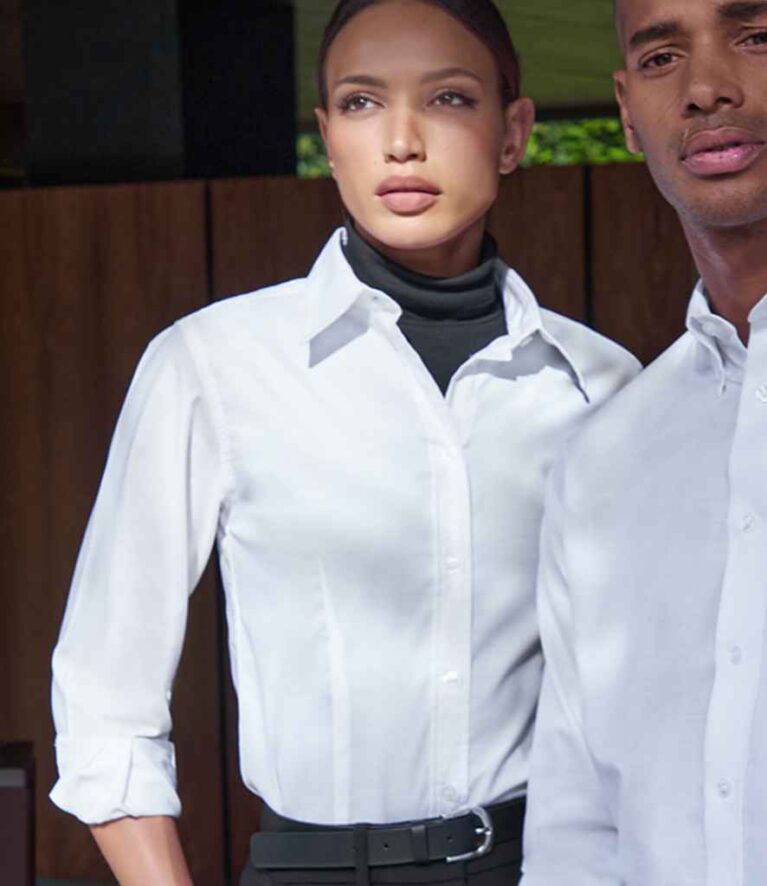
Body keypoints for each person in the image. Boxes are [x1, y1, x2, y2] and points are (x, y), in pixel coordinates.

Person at [49, 1, 638, 884]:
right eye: (362, 103)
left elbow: (645, 686)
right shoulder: (213, 364)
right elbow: (104, 691)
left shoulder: (603, 385)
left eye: (447, 98)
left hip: (549, 861)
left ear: (513, 133)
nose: (401, 142)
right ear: (327, 138)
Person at [521, 0, 767, 883]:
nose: (705, 89)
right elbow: (575, 825)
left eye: (756, 37)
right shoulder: (604, 458)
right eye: (662, 58)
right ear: (627, 112)